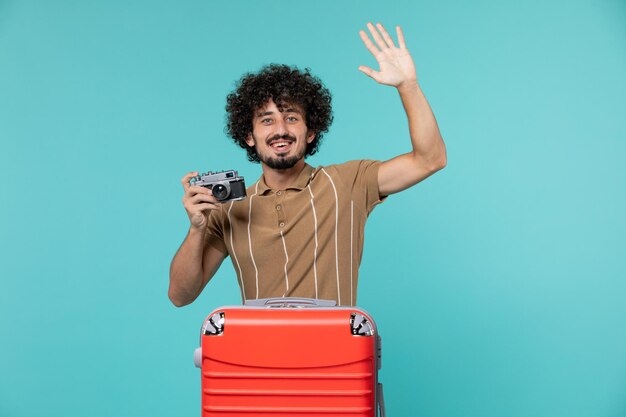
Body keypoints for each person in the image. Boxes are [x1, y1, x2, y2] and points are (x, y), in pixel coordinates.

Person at [169, 23, 447, 307]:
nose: (280, 129)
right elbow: (180, 296)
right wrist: (196, 228)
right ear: (249, 136)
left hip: (337, 350)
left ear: (310, 131)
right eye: (267, 120)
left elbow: (430, 159)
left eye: (291, 118)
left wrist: (408, 86)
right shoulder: (229, 210)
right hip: (260, 351)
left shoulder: (348, 183)